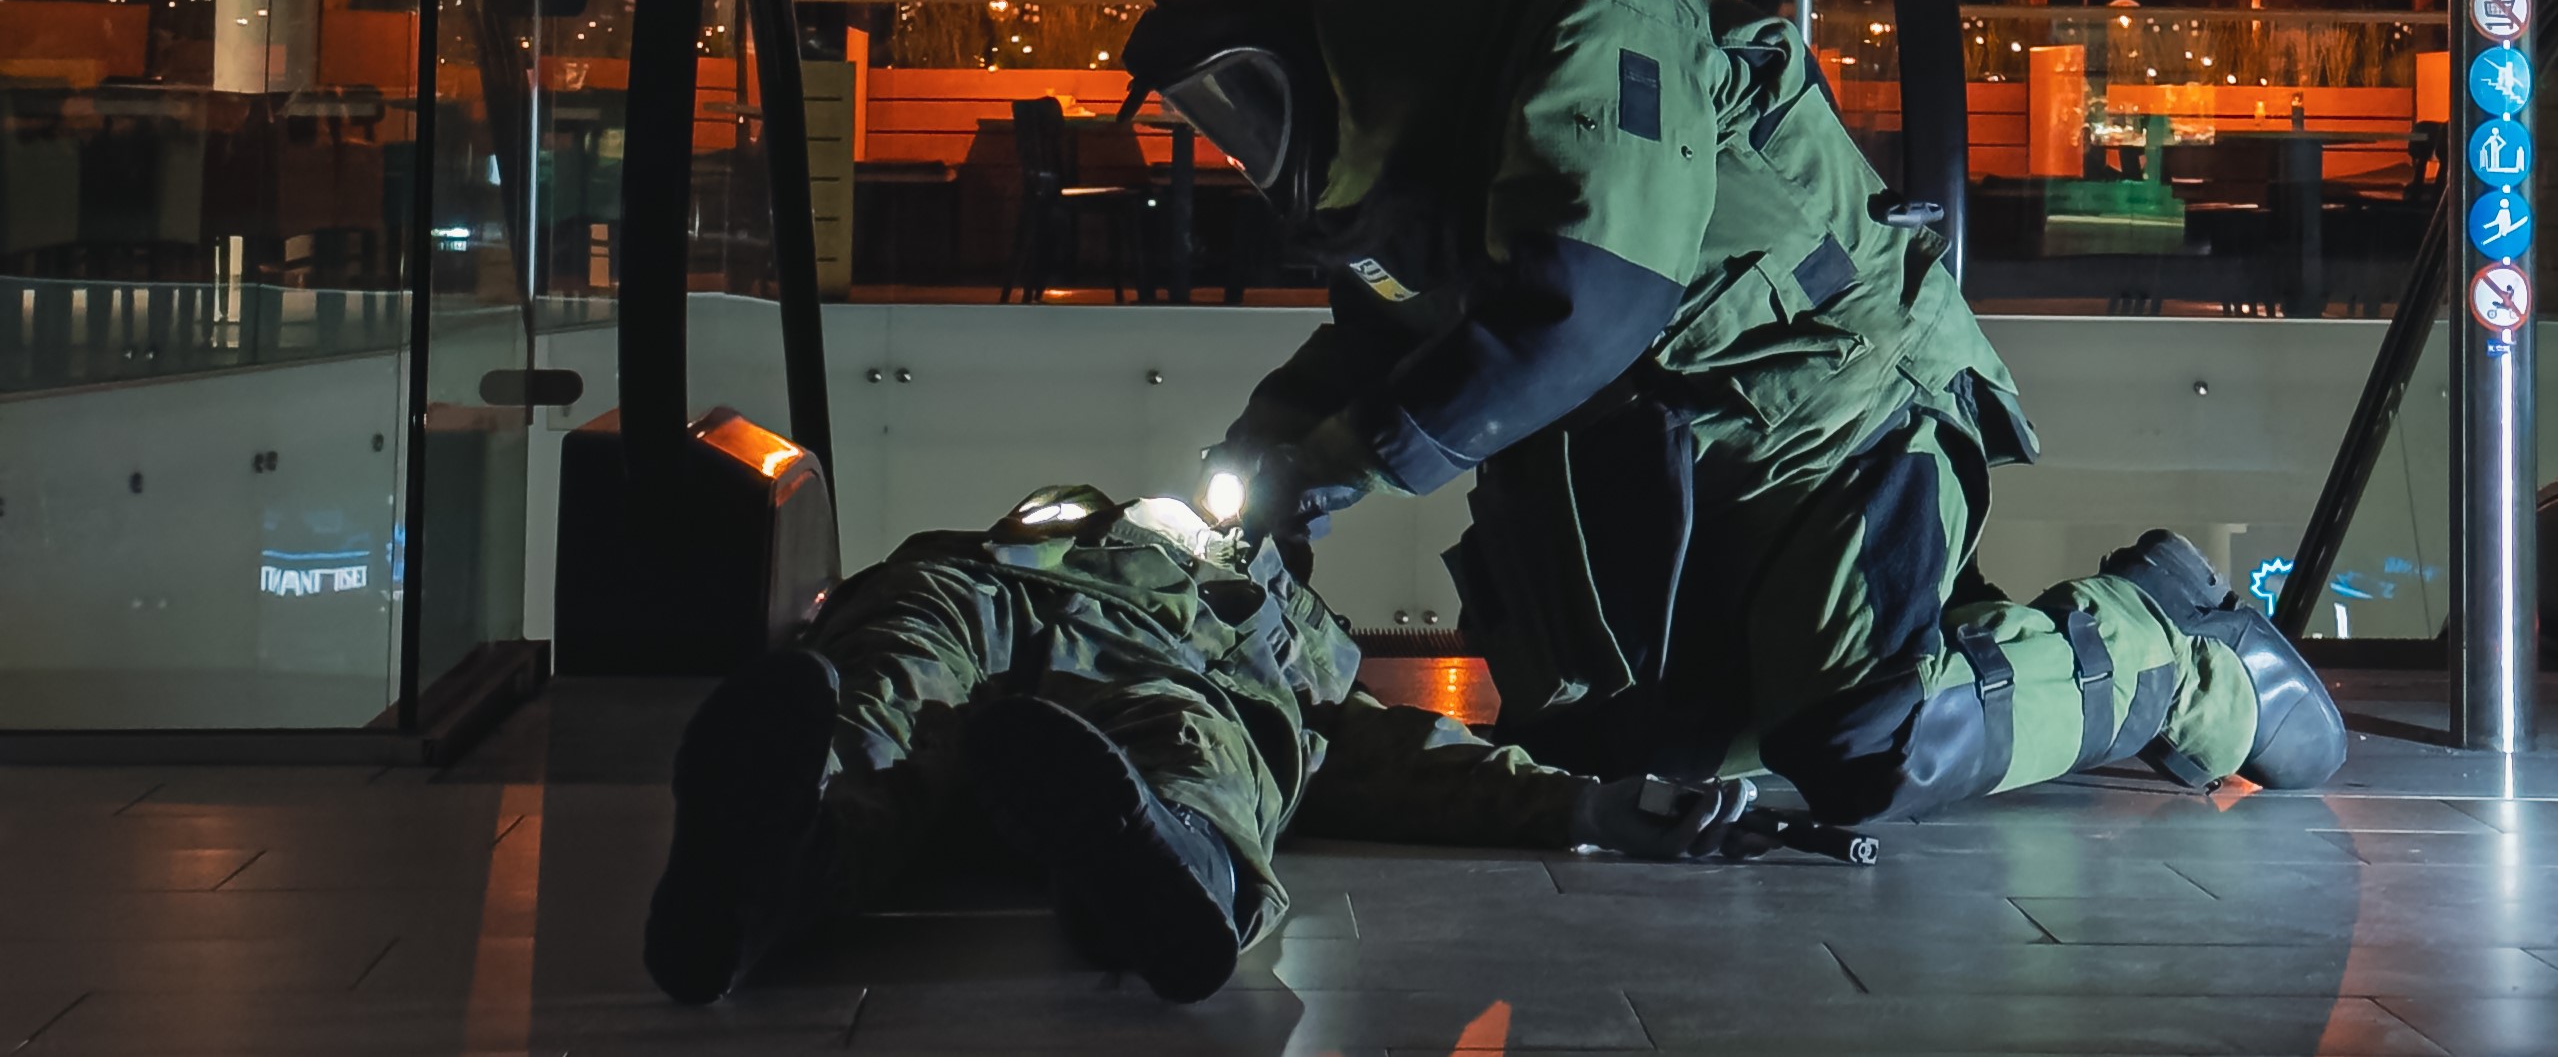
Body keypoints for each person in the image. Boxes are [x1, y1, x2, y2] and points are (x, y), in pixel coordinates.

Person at [1120, 0, 2346, 825]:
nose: (1241, 142)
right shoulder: (1438, 144)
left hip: (1831, 422)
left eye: (1244, 94)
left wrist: (1337, 465)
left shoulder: (1602, 30)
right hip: (1688, 457)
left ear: (1354, 16)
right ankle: (1973, 663)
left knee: (1865, 741)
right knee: (1625, 755)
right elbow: (1383, 335)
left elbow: (1586, 306)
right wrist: (1259, 475)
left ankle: (2185, 654)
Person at [642, 486, 1782, 1007]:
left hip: (1169, 670)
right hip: (981, 597)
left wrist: (1583, 805)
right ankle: (763, 870)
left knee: (1197, 741)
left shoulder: (1283, 636)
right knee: (894, 676)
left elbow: (1396, 748)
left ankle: (1166, 870)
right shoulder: (1030, 532)